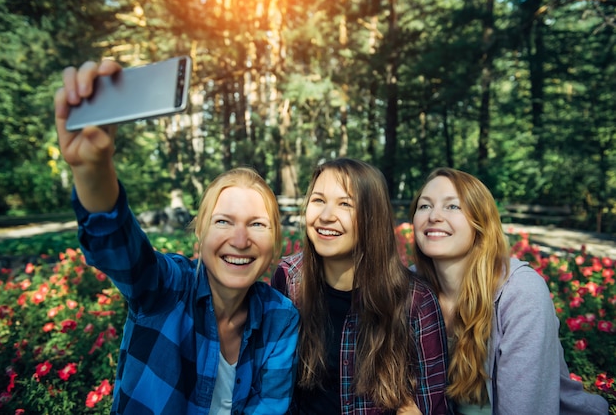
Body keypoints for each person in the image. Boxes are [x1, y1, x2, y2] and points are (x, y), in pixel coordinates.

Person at [54, 59, 300, 414]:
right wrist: (93, 169)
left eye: (258, 224)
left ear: (275, 242)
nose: (241, 239)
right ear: (199, 234)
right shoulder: (167, 287)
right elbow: (120, 249)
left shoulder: (280, 317)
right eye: (223, 221)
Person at [409, 167, 609, 415]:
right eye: (424, 206)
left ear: (480, 223)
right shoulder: (410, 288)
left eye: (452, 206)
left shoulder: (520, 292)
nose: (434, 216)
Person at [271, 158, 449, 414]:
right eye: (318, 200)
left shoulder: (415, 301)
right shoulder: (288, 279)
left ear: (372, 217)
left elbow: (434, 406)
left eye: (345, 204)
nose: (326, 216)